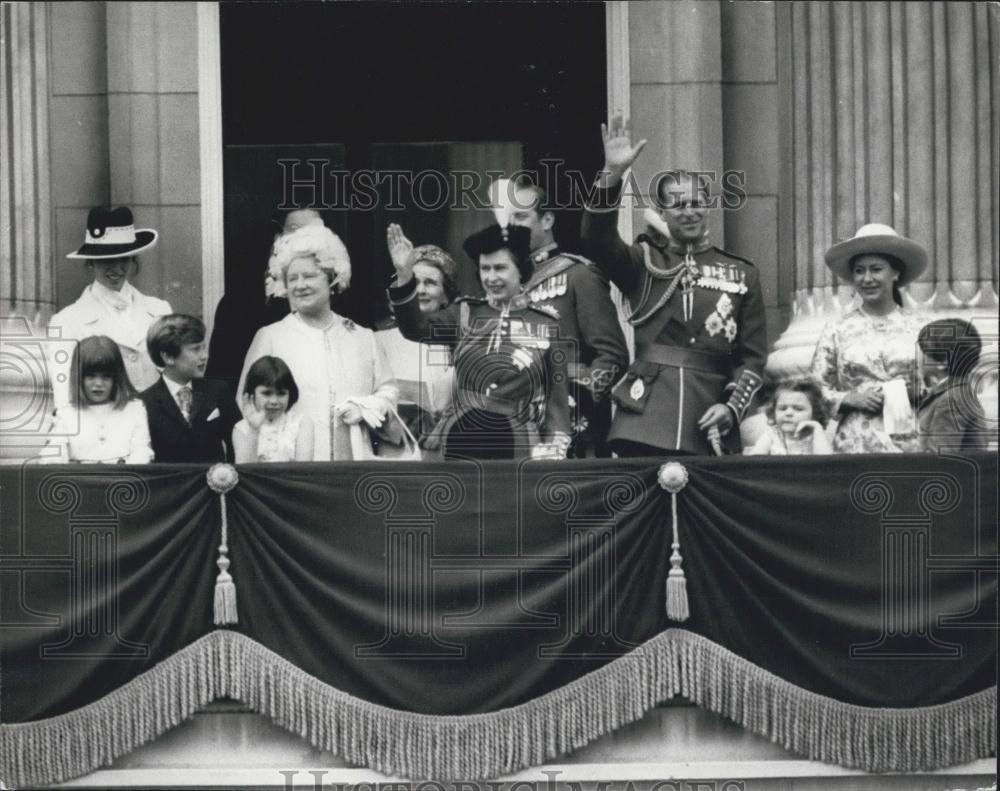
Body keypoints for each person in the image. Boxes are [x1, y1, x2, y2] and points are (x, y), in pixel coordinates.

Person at [579, 114, 767, 456]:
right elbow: (595, 238)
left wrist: (731, 407)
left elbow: (752, 358)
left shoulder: (742, 273)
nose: (689, 211)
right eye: (678, 205)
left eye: (696, 203)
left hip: (710, 413)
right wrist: (613, 174)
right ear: (661, 214)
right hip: (646, 414)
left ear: (708, 208)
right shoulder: (643, 262)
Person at [388, 223, 571, 460]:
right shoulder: (464, 312)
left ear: (521, 270)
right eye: (485, 269)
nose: (491, 277)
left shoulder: (548, 325)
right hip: (457, 436)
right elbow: (415, 328)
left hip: (516, 442)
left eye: (500, 268)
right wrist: (404, 275)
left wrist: (552, 451)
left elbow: (557, 404)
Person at [239, 224, 398, 461]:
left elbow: (389, 390)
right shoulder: (271, 336)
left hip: (353, 468)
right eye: (292, 278)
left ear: (332, 279)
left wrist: (366, 409)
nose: (300, 285)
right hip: (291, 473)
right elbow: (247, 401)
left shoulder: (362, 337)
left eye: (310, 276)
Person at [504, 180, 629, 458]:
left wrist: (576, 403)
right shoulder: (509, 283)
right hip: (518, 426)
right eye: (509, 218)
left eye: (521, 216)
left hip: (571, 429)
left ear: (547, 219)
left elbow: (612, 355)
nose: (512, 225)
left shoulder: (578, 275)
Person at [811, 223, 927, 453]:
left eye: (876, 269)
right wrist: (848, 398)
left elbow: (940, 383)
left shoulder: (919, 328)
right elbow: (814, 388)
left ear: (895, 273)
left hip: (910, 441)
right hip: (855, 442)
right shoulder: (837, 329)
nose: (867, 278)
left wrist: (913, 392)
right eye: (859, 271)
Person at [49, 206, 171, 408]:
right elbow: (64, 399)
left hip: (162, 431)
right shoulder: (66, 322)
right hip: (106, 431)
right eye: (106, 259)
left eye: (123, 258)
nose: (116, 268)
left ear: (133, 259)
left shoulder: (160, 311)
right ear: (91, 262)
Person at [382, 228, 458, 448]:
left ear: (446, 295)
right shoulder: (380, 341)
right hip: (395, 448)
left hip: (448, 447)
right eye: (414, 282)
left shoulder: (458, 337)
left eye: (430, 283)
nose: (420, 290)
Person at [141, 314, 241, 463]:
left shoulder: (218, 391)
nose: (204, 356)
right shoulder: (144, 403)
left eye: (204, 348)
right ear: (168, 357)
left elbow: (237, 445)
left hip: (214, 484)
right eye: (195, 349)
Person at [42, 335, 153, 464]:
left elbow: (140, 450)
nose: (99, 383)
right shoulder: (66, 414)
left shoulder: (134, 410)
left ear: (116, 378)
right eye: (90, 376)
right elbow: (54, 452)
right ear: (78, 377)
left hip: (124, 480)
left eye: (106, 377)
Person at [916, 318, 990, 453]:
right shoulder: (956, 392)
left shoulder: (951, 400)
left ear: (943, 361)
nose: (918, 355)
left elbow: (942, 458)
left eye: (922, 350)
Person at [232, 355, 314, 462]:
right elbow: (245, 472)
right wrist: (254, 430)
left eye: (281, 394)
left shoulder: (301, 423)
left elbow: (303, 471)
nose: (274, 401)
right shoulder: (241, 429)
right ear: (252, 394)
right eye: (267, 393)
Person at [744, 379, 833, 456]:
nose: (788, 413)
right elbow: (755, 460)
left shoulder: (816, 435)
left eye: (798, 409)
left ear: (815, 413)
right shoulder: (773, 434)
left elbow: (826, 462)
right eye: (782, 409)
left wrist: (817, 427)